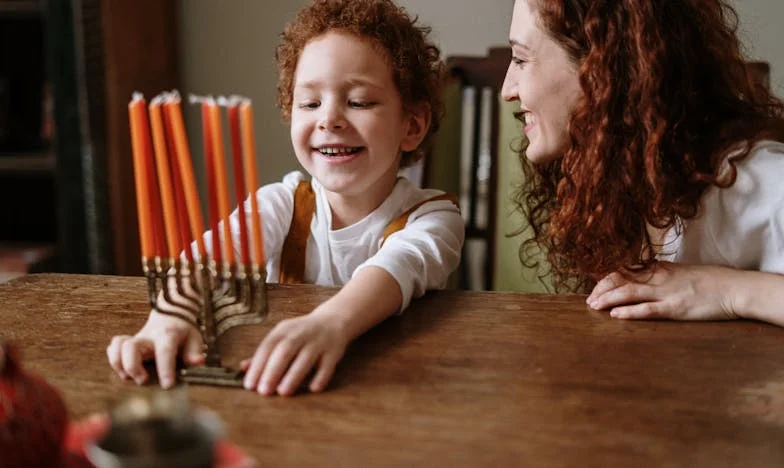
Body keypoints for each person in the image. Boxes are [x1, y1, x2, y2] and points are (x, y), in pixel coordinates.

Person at [107, 0, 464, 395]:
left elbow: (398, 266)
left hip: (395, 390)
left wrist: (329, 324)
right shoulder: (283, 203)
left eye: (359, 101)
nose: (328, 119)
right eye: (310, 103)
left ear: (411, 125)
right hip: (274, 384)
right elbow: (211, 257)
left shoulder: (434, 219)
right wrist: (170, 316)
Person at [501, 0, 784, 326]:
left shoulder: (750, 181)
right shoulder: (625, 174)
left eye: (521, 59)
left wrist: (726, 291)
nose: (507, 89)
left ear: (599, 68)